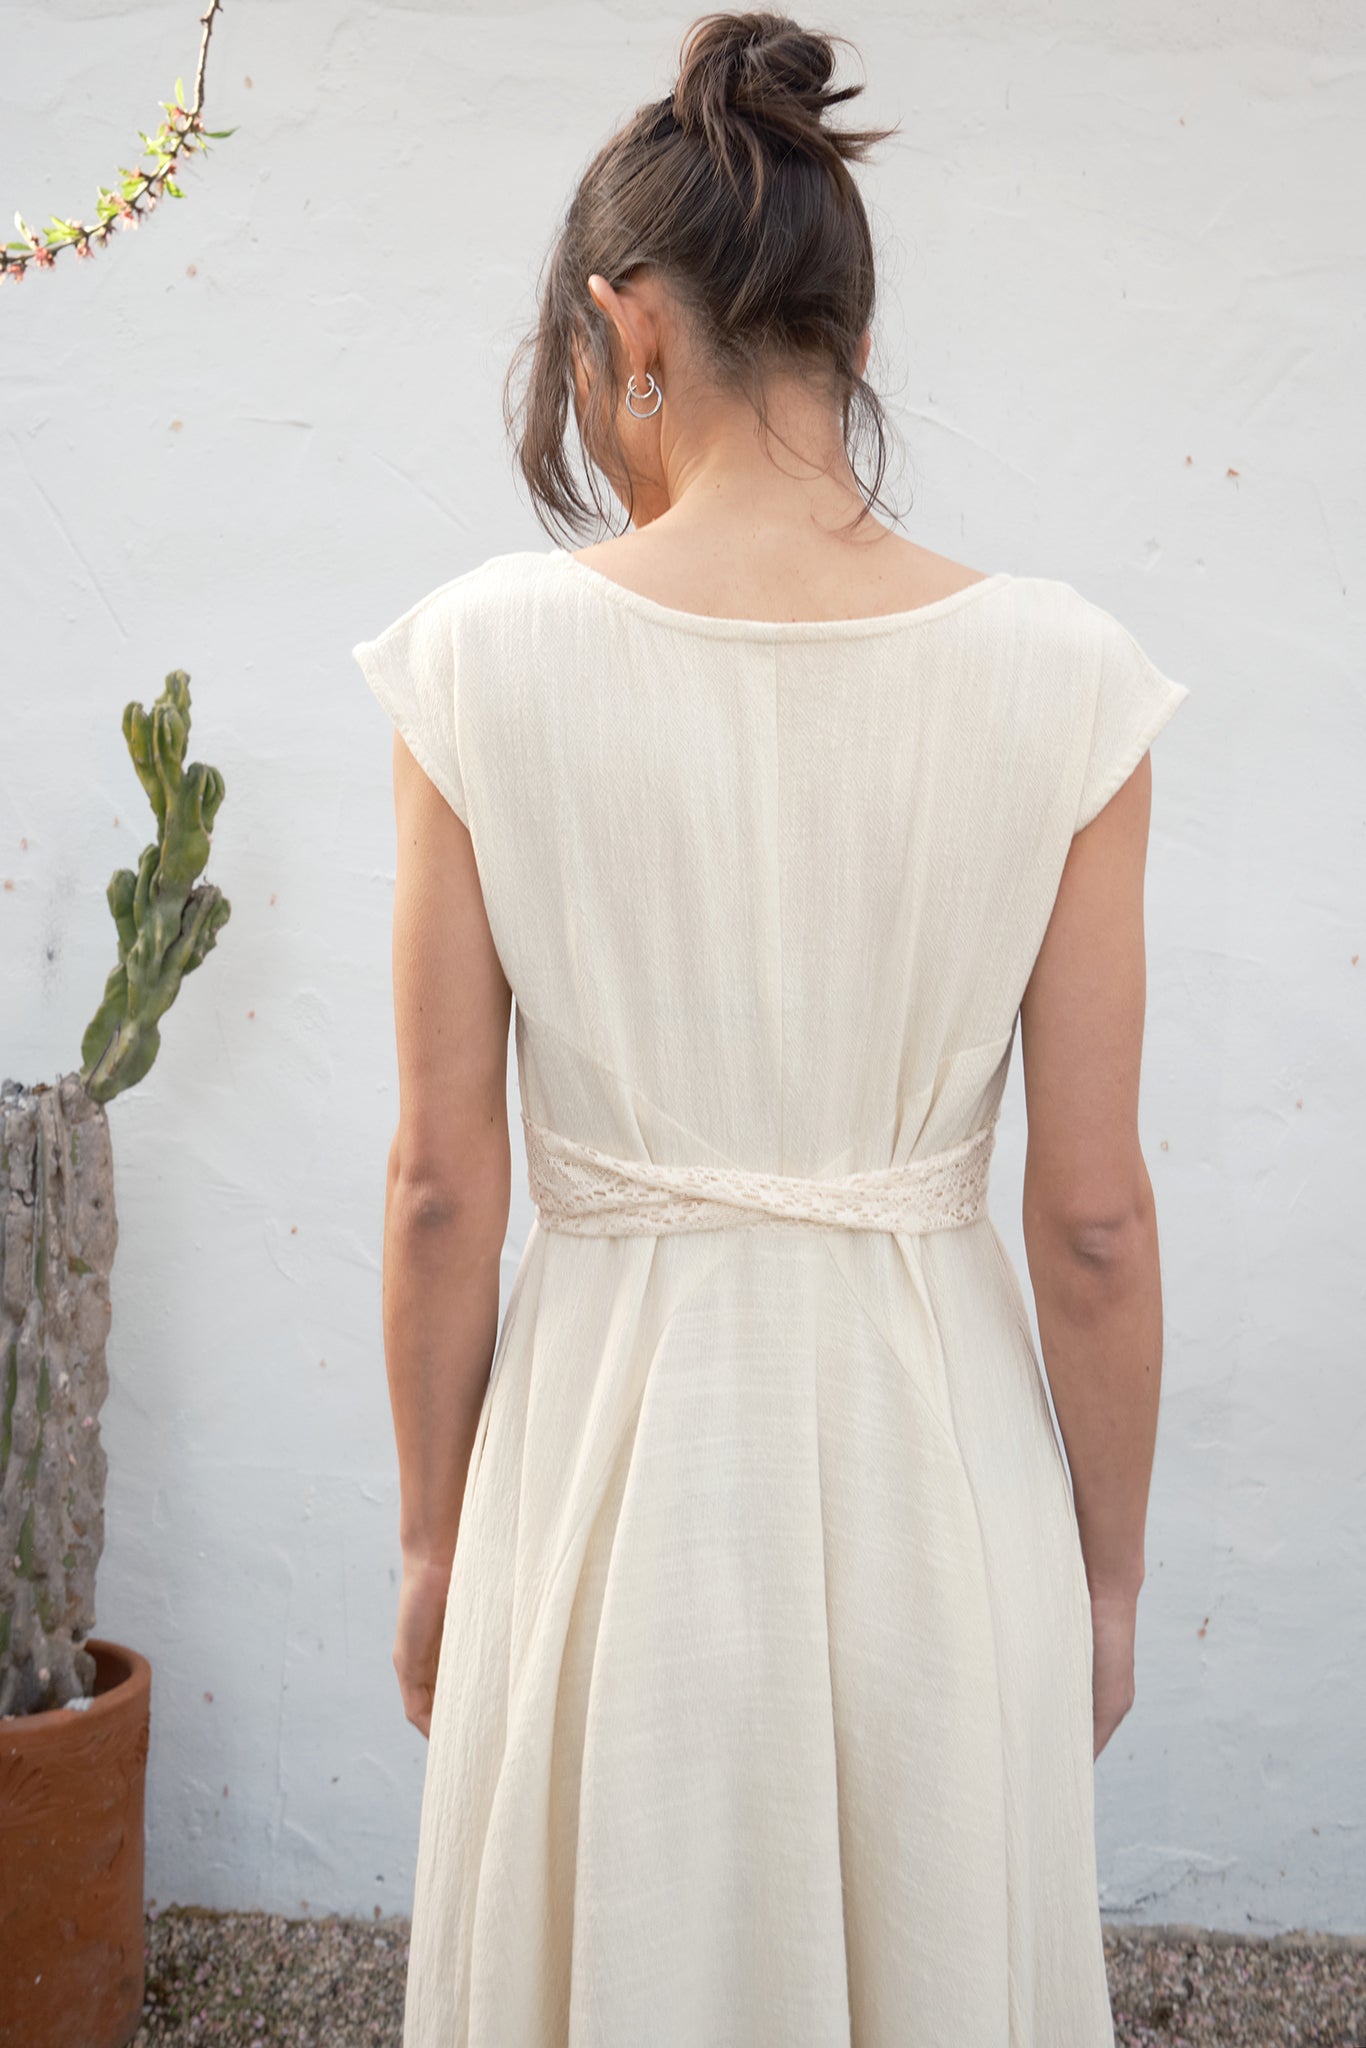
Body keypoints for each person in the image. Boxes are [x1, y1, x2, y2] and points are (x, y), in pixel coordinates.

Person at [352, 11, 1188, 2044]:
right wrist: (1096, 1583)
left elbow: (441, 1182)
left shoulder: (479, 661)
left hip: (602, 1475)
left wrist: (434, 1538)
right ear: (857, 345)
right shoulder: (1062, 680)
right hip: (937, 1474)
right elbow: (1088, 1220)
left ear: (621, 326)